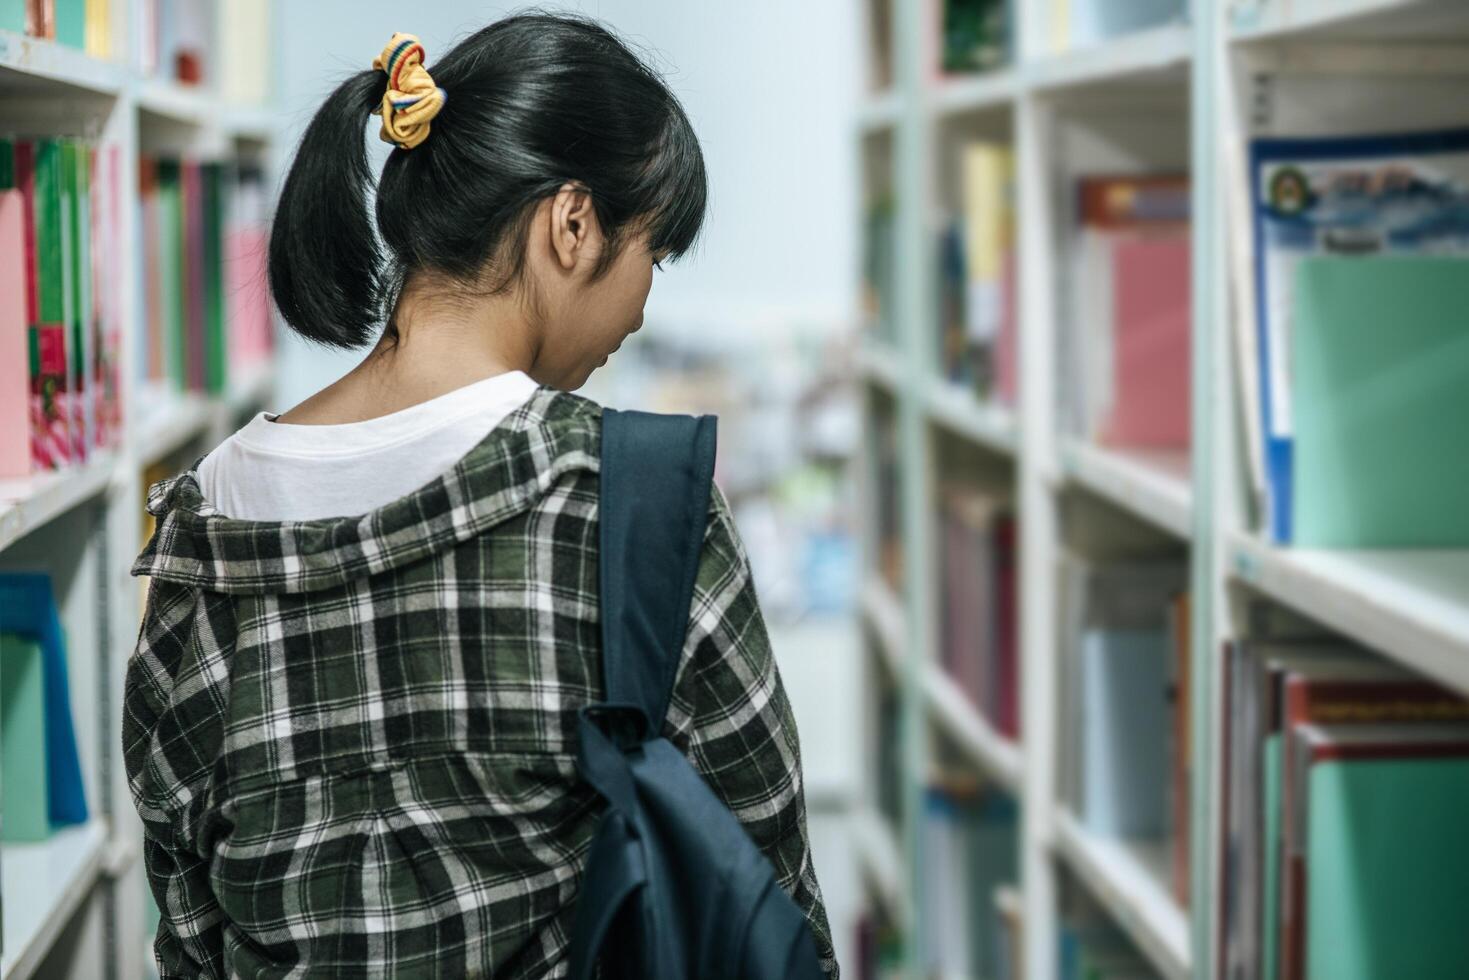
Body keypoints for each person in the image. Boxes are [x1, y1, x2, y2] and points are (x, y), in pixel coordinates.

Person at [123, 13, 836, 978]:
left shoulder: (207, 520)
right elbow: (763, 871)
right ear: (573, 224)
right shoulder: (628, 501)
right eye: (652, 258)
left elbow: (188, 912)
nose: (640, 305)